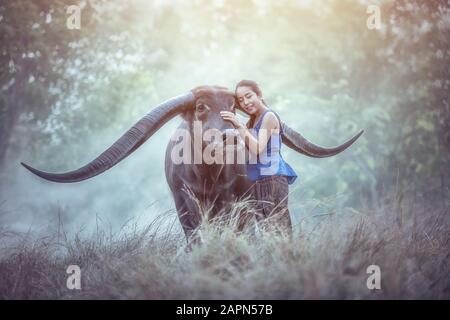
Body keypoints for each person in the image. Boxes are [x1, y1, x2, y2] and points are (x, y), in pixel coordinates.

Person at [220, 80, 297, 235]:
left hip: (273, 178)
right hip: (259, 180)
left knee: (279, 230)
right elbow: (247, 145)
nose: (245, 102)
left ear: (259, 94)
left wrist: (238, 125)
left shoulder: (268, 116)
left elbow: (257, 149)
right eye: (240, 100)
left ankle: (290, 257)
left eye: (248, 96)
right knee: (265, 231)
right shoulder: (253, 120)